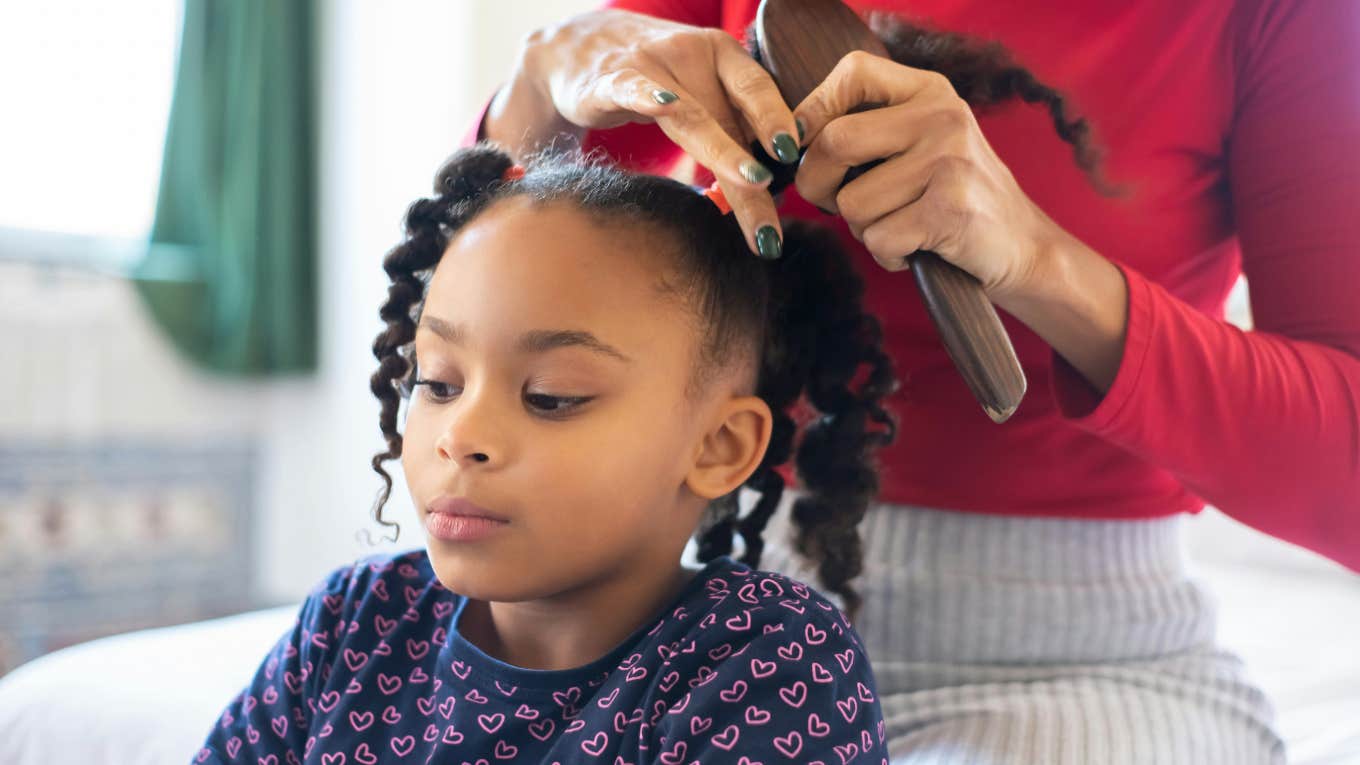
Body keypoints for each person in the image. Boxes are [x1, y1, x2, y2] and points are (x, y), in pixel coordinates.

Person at [463, 1, 1360, 762]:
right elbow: (454, 320)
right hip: (704, 628)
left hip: (1071, 674)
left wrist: (1039, 259)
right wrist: (537, 96)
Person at [192, 143, 902, 763]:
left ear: (719, 445)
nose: (459, 436)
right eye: (437, 382)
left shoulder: (764, 663)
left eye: (551, 397)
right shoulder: (356, 624)